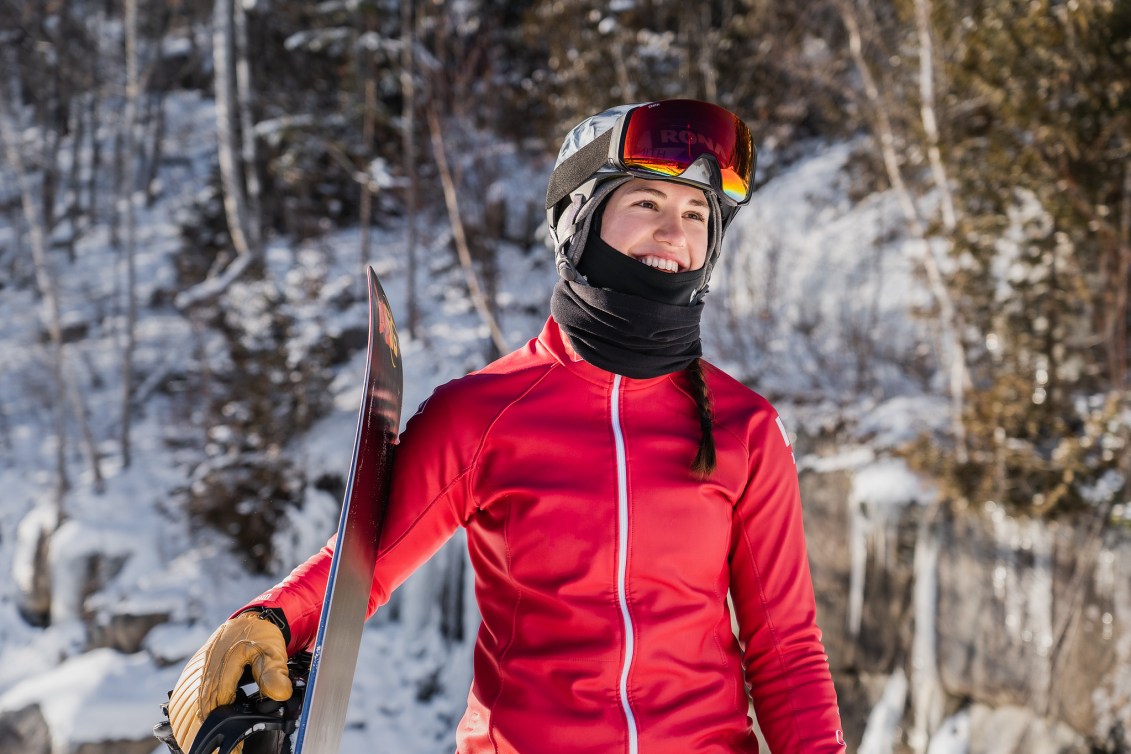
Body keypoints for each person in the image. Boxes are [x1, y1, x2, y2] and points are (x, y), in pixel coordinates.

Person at [167, 98, 846, 753]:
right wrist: (268, 620)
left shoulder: (742, 428)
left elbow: (784, 652)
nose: (675, 232)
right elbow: (360, 568)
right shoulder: (484, 414)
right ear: (579, 218)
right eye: (646, 202)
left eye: (697, 212)